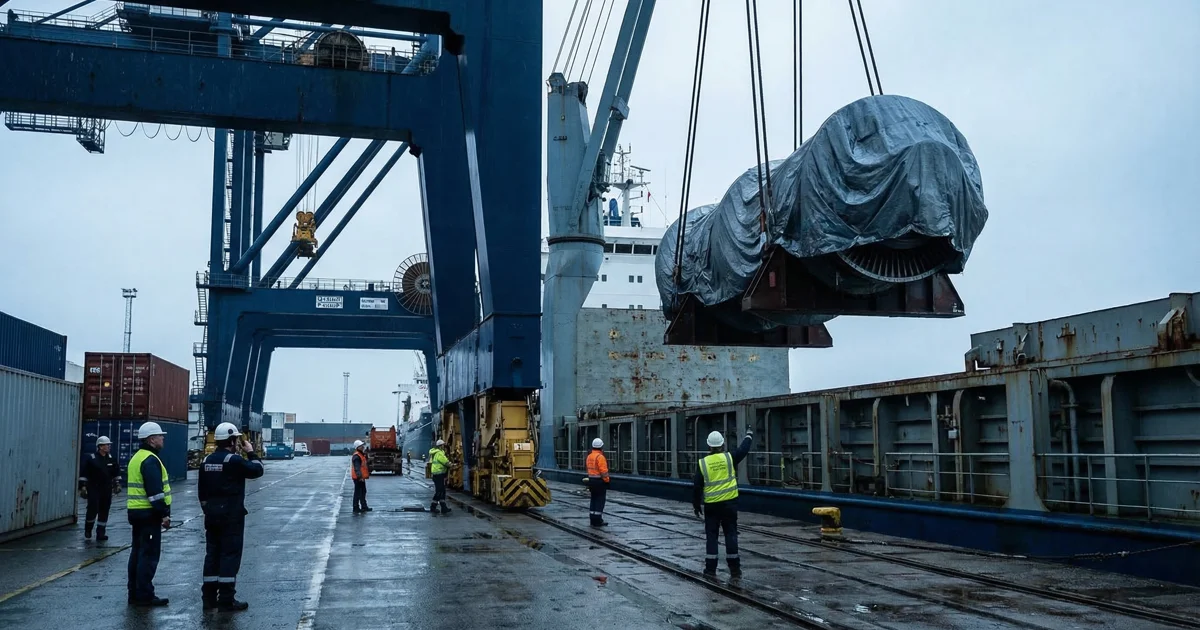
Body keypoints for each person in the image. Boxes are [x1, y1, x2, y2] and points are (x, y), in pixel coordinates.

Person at [198, 422, 265, 611]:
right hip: (231, 517)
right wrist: (251, 452)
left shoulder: (206, 461)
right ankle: (226, 599)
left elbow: (201, 493)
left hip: (211, 516)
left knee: (212, 555)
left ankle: (208, 598)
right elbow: (257, 470)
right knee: (229, 556)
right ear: (233, 440)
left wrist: (208, 509)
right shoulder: (233, 461)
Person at [692, 429, 753, 578]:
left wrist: (696, 505)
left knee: (712, 537)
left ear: (708, 446)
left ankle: (710, 570)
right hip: (729, 504)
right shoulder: (729, 458)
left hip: (711, 506)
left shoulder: (703, 463)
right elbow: (743, 450)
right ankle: (735, 569)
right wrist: (748, 436)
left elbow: (697, 486)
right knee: (731, 534)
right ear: (722, 444)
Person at [126, 421, 172, 607]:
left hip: (136, 513)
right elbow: (155, 493)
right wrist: (164, 514)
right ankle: (144, 594)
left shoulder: (137, 457)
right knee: (148, 555)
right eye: (160, 436)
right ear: (152, 439)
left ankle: (134, 592)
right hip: (149, 514)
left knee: (137, 552)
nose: (163, 438)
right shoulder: (150, 460)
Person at [80, 435, 121, 541]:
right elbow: (84, 473)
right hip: (94, 488)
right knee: (92, 510)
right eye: (107, 445)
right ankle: (88, 530)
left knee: (104, 510)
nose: (109, 446)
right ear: (100, 446)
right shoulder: (92, 459)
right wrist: (83, 487)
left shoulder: (111, 459)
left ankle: (101, 533)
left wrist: (117, 484)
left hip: (106, 489)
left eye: (109, 445)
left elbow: (115, 473)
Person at [585, 438, 610, 527]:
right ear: (601, 447)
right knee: (600, 501)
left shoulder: (589, 456)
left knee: (593, 499)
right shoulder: (600, 457)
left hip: (591, 481)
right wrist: (607, 481)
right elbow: (603, 472)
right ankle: (598, 520)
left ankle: (592, 519)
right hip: (599, 482)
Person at [428, 439, 451, 516]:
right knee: (439, 491)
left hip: (436, 474)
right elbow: (445, 462)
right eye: (443, 445)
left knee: (442, 491)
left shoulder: (434, 453)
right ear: (440, 446)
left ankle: (443, 507)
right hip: (439, 474)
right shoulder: (440, 453)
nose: (444, 447)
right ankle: (433, 506)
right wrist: (451, 464)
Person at [350, 440, 372, 513]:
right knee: (358, 493)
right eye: (361, 446)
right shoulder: (357, 456)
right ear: (358, 447)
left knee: (363, 492)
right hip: (358, 478)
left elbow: (364, 464)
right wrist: (360, 477)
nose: (363, 447)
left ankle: (364, 506)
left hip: (361, 477)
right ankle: (356, 507)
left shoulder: (361, 455)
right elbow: (357, 468)